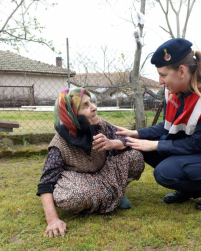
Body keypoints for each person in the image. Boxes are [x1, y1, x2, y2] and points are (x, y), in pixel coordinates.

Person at [117, 38, 201, 211]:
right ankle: (189, 188)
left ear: (181, 71)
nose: (160, 82)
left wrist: (155, 144)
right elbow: (168, 126)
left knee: (164, 172)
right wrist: (137, 134)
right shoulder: (174, 92)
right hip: (198, 149)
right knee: (141, 147)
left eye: (163, 75)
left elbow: (199, 144)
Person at [37, 87, 144, 237]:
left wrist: (114, 143)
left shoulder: (101, 126)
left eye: (91, 102)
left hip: (103, 175)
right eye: (85, 106)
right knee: (68, 197)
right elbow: (46, 183)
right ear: (72, 115)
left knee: (135, 156)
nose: (94, 108)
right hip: (81, 182)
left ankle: (113, 195)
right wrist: (53, 219)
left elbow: (127, 139)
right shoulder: (59, 145)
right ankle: (112, 197)